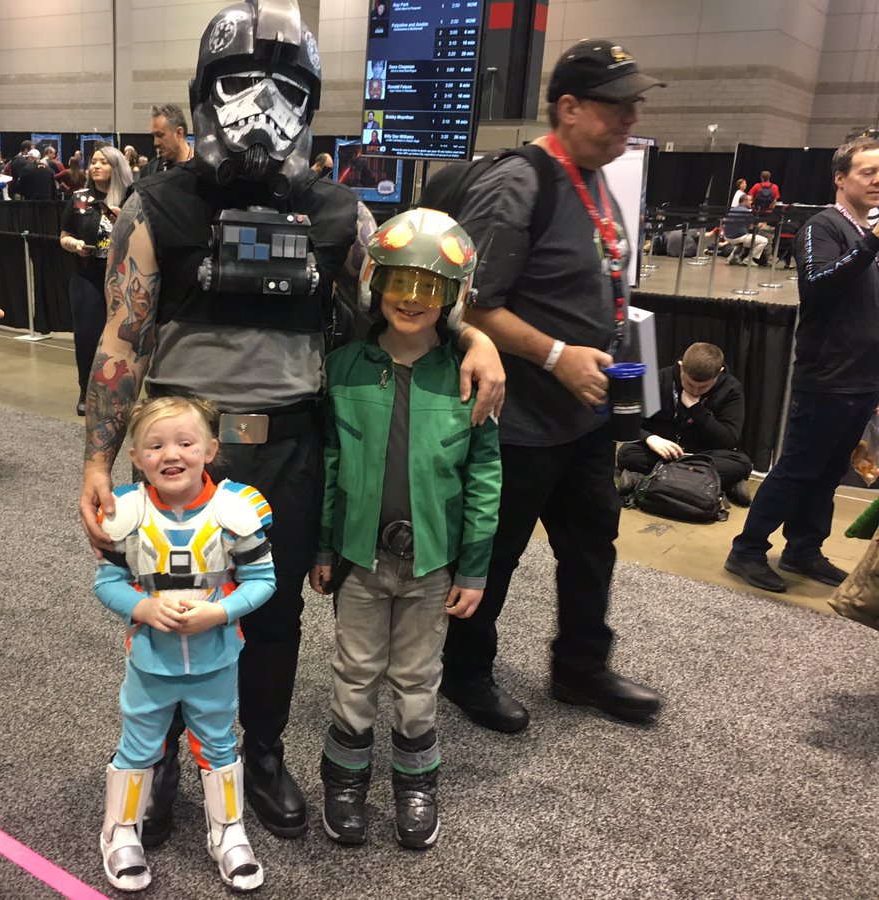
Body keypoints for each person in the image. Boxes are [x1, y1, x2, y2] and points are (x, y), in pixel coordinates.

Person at [80, 0, 504, 844]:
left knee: (272, 618)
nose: (263, 105)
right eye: (241, 82)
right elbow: (121, 340)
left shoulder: (341, 215)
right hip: (181, 459)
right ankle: (161, 760)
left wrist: (476, 335)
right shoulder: (154, 208)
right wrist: (97, 461)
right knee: (169, 608)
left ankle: (260, 754)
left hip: (291, 453)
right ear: (204, 91)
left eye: (287, 87)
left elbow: (410, 294)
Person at [443, 38, 665, 735]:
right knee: (494, 552)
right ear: (569, 107)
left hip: (584, 417)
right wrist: (559, 354)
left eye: (635, 104)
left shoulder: (595, 178)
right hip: (515, 419)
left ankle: (580, 667)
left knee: (593, 543)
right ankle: (465, 673)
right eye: (616, 104)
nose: (630, 117)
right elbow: (465, 302)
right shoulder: (519, 182)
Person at [311, 208, 500, 850]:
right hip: (360, 560)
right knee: (354, 672)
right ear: (375, 283)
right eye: (399, 282)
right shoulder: (344, 367)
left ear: (453, 296)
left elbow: (484, 478)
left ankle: (416, 785)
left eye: (429, 287)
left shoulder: (470, 377)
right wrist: (324, 546)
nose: (411, 298)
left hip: (432, 565)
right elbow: (330, 465)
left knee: (418, 681)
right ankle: (345, 781)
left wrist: (474, 566)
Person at [95, 395, 274, 892]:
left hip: (216, 658)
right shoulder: (127, 511)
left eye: (185, 443)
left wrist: (220, 611)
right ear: (136, 456)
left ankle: (228, 832)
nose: (170, 454)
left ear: (210, 450)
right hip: (150, 661)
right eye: (154, 445)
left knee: (219, 744)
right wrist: (142, 608)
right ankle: (120, 832)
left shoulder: (236, 510)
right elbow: (107, 584)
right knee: (139, 745)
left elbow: (263, 580)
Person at [724, 138, 879, 593]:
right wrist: (871, 243)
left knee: (830, 472)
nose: (877, 180)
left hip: (864, 378)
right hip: (827, 376)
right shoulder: (823, 227)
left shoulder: (867, 231)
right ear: (840, 178)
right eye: (867, 171)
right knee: (797, 468)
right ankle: (747, 549)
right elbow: (818, 284)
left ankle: (803, 549)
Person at [616, 342, 753, 506]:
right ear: (681, 367)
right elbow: (632, 424)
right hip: (665, 453)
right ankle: (714, 483)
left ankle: (643, 479)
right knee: (627, 454)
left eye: (703, 387)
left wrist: (696, 409)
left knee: (741, 465)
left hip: (704, 455)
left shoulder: (731, 389)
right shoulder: (661, 379)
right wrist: (651, 439)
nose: (694, 391)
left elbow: (728, 439)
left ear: (719, 372)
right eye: (689, 384)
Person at [59, 145, 132, 416]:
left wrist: (124, 220)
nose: (96, 166)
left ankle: (118, 393)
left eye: (103, 162)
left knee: (123, 339)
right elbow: (64, 236)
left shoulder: (132, 198)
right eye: (93, 162)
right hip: (87, 276)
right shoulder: (79, 199)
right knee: (87, 337)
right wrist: (74, 244)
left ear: (117, 166)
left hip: (123, 278)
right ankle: (85, 391)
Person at [143, 103, 192, 177]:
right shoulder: (150, 171)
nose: (155, 143)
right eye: (154, 136)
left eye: (160, 135)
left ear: (179, 133)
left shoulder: (202, 169)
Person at [721, 194, 768, 265]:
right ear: (744, 201)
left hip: (727, 236)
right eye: (750, 200)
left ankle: (734, 256)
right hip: (739, 237)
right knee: (764, 241)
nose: (751, 202)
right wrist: (761, 225)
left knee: (747, 239)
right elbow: (752, 226)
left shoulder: (732, 210)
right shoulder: (746, 212)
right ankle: (748, 259)